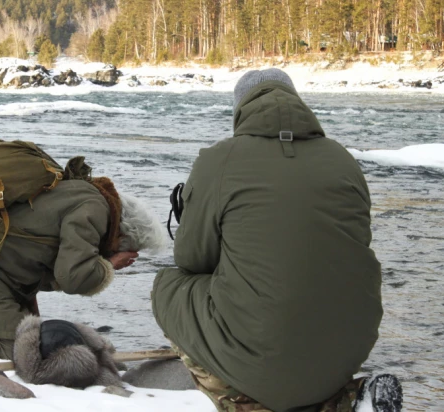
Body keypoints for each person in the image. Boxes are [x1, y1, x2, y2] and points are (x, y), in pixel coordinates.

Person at [152, 69, 402, 412]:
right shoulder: (342, 159)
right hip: (349, 345)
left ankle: (244, 399)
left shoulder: (220, 159)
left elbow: (191, 259)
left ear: (241, 108)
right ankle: (347, 398)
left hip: (265, 348)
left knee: (169, 284)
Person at [0, 170, 165, 368]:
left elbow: (43, 265)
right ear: (123, 236)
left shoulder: (84, 194)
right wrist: (109, 265)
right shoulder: (95, 212)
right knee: (18, 354)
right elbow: (72, 278)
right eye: (128, 248)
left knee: (29, 333)